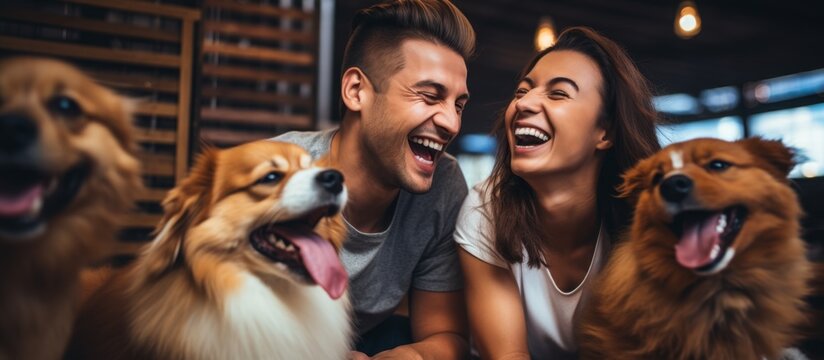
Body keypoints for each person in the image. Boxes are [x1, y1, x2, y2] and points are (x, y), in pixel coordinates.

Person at [274, 0, 475, 358]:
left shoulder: (443, 184)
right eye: (430, 96)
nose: (452, 124)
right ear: (356, 91)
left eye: (458, 105)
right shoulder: (274, 174)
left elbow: (445, 336)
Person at [454, 27, 661, 359]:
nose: (524, 103)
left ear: (604, 131)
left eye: (558, 94)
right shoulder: (485, 210)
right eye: (523, 90)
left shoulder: (649, 219)